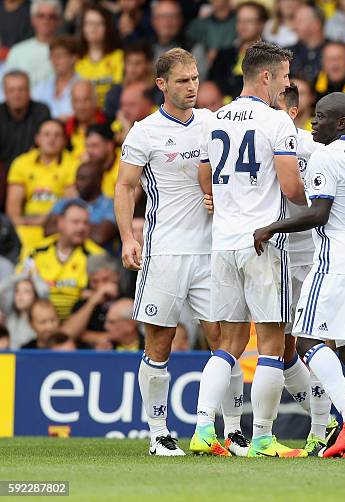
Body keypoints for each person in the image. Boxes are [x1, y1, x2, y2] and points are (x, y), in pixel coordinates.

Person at [195, 41, 306, 459]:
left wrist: (215, 199)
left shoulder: (214, 119)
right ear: (266, 76)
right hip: (261, 242)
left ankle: (205, 428)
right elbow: (292, 188)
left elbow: (204, 170)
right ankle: (261, 437)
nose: (287, 84)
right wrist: (317, 208)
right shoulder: (277, 122)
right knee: (272, 342)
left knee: (229, 341)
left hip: (222, 242)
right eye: (284, 76)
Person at [254, 92, 345, 458]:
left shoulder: (325, 156)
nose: (314, 122)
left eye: (322, 117)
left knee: (307, 339)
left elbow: (318, 214)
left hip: (335, 257)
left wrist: (271, 227)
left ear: (340, 123)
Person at [115, 48, 215, 457]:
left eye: (194, 79)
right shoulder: (145, 131)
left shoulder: (212, 122)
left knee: (224, 341)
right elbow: (124, 187)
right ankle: (158, 432)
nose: (191, 87)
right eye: (182, 81)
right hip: (165, 253)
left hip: (212, 252)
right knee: (160, 341)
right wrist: (127, 237)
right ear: (162, 85)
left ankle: (225, 432)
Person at [16, 200, 106, 320]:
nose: (81, 227)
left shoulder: (97, 256)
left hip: (80, 318)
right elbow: (19, 283)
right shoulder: (35, 251)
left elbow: (103, 291)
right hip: (36, 316)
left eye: (85, 223)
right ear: (61, 223)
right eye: (75, 222)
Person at [6, 118, 78, 248]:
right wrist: (28, 221)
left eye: (57, 135)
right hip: (24, 229)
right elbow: (12, 212)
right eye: (46, 134)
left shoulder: (73, 165)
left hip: (57, 229)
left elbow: (69, 207)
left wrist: (34, 221)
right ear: (37, 138)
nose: (51, 139)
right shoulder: (21, 163)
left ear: (64, 141)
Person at [0, 70, 50, 207]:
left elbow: (45, 146)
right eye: (12, 90)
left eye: (21, 89)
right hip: (3, 174)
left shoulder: (41, 111)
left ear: (29, 91)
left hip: (34, 170)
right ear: (5, 92)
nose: (16, 95)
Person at [44, 163, 116, 247]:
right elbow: (48, 230)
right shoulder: (66, 201)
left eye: (83, 179)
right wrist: (93, 226)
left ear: (97, 180)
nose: (77, 183)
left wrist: (69, 225)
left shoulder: (110, 205)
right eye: (77, 178)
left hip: (95, 258)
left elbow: (99, 237)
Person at [207, 1, 267, 98]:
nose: (242, 25)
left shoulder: (272, 56)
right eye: (239, 20)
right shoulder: (223, 55)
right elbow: (212, 85)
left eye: (249, 21)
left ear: (261, 24)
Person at [62, 254, 120, 347]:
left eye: (105, 279)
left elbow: (129, 332)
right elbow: (67, 334)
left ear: (116, 276)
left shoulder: (127, 298)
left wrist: (86, 335)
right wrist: (93, 301)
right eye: (95, 281)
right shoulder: (84, 303)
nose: (101, 286)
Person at [76, 5, 124, 109]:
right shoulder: (76, 59)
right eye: (89, 23)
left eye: (99, 23)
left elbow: (118, 90)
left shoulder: (119, 56)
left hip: (111, 111)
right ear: (82, 27)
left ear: (108, 27)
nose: (93, 28)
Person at [5, 0, 61, 88]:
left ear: (59, 21)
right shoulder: (17, 51)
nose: (46, 20)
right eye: (41, 16)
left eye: (51, 17)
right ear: (33, 19)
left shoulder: (66, 52)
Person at [104, 41, 162, 122]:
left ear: (149, 64)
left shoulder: (160, 92)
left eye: (138, 63)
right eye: (129, 62)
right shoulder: (114, 94)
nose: (132, 68)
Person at [32, 35, 81, 121]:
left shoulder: (83, 85)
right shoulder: (41, 87)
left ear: (74, 58)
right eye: (52, 56)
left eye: (60, 55)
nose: (55, 60)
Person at [0, 274, 49, 349]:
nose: (20, 295)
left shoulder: (40, 318)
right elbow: (2, 289)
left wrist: (33, 275)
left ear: (36, 295)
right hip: (12, 359)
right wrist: (22, 275)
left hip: (32, 357)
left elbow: (45, 291)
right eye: (17, 291)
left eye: (26, 291)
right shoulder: (11, 315)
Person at [65, 80, 106, 159]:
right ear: (71, 103)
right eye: (77, 101)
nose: (81, 106)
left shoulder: (109, 126)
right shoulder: (65, 129)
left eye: (86, 100)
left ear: (95, 100)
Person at [289, 4, 327, 83]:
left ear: (316, 24)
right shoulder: (287, 54)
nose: (294, 27)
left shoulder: (334, 52)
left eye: (299, 21)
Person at [82, 123, 120, 200]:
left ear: (110, 146)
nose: (89, 151)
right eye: (87, 146)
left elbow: (128, 202)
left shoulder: (126, 164)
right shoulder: (87, 165)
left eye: (94, 145)